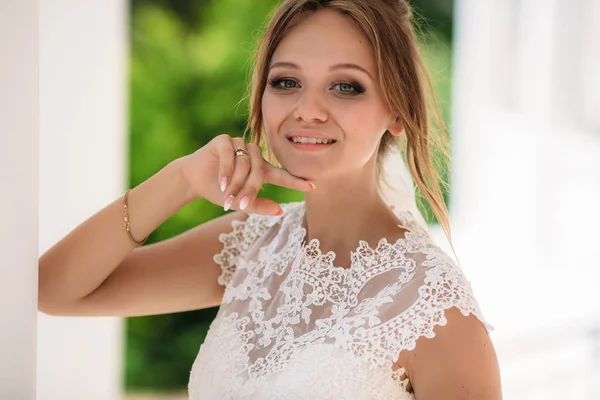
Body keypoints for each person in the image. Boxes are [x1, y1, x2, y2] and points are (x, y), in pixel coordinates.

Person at [38, 0, 502, 399]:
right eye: (286, 82)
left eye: (346, 86)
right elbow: (52, 289)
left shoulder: (434, 308)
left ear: (398, 113)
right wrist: (178, 179)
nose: (308, 109)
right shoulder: (250, 246)